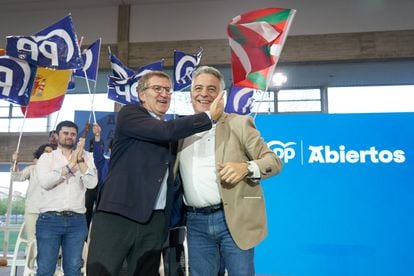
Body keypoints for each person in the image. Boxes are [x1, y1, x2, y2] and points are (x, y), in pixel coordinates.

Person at [87, 70, 224, 276]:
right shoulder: (130, 114)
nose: (164, 94)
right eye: (157, 88)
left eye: (168, 90)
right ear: (142, 95)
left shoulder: (171, 129)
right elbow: (165, 132)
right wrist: (208, 116)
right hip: (118, 216)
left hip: (155, 221)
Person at [178, 66, 283, 275]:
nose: (204, 94)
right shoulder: (181, 129)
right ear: (190, 95)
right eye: (198, 88)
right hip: (195, 223)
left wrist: (246, 168)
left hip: (232, 219)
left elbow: (274, 161)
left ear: (221, 95)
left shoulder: (239, 123)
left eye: (211, 89)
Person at [36, 120, 98, 276]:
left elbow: (92, 183)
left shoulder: (87, 157)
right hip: (49, 219)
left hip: (77, 221)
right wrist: (69, 168)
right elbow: (45, 182)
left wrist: (79, 160)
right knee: (45, 269)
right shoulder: (47, 158)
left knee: (73, 269)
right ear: (57, 136)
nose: (69, 136)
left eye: (73, 134)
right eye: (65, 133)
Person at [11, 144, 54, 242]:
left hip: (50, 212)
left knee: (49, 242)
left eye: (51, 152)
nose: (49, 154)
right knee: (32, 242)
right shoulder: (32, 169)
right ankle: (31, 258)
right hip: (33, 211)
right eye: (46, 152)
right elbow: (16, 177)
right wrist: (15, 162)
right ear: (40, 155)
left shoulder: (57, 172)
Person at [84, 123, 112, 229]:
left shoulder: (122, 164)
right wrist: (96, 136)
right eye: (94, 145)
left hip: (109, 196)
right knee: (88, 213)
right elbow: (97, 154)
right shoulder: (100, 161)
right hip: (93, 189)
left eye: (101, 146)